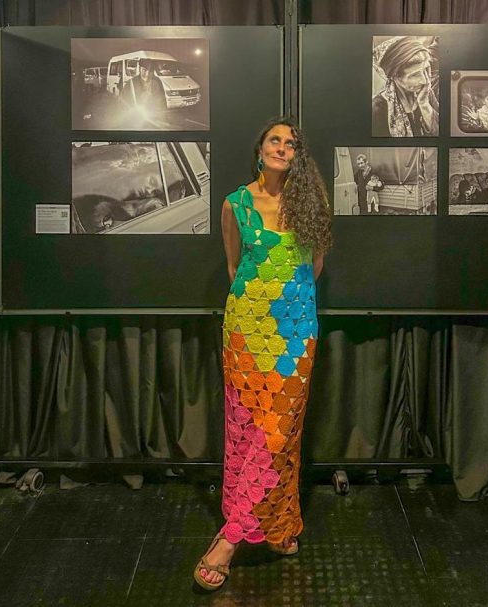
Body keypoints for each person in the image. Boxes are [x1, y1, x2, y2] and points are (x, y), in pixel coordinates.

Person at [193, 117, 332, 591]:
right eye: (275, 139)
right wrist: (260, 307)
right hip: (246, 332)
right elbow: (234, 267)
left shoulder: (311, 203)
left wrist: (287, 307)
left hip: (295, 335)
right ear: (260, 149)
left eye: (291, 143)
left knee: (281, 433)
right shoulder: (235, 204)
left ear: (298, 155)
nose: (282, 147)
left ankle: (250, 531)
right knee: (247, 430)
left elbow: (313, 268)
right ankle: (262, 530)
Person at [372, 36, 439, 137]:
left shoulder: (426, 93)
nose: (424, 81)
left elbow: (441, 133)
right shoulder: (377, 110)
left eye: (426, 69)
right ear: (395, 76)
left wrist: (424, 104)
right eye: (415, 75)